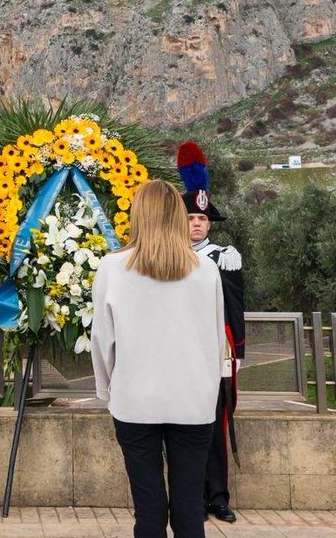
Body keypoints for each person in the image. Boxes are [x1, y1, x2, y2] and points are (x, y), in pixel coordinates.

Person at [91, 179, 225, 538]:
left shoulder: (112, 267)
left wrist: (107, 392)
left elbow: (103, 340)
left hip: (135, 400)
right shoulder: (206, 269)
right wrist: (210, 392)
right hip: (193, 400)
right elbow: (216, 338)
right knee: (189, 511)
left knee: (148, 509)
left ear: (139, 215)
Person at [178, 140, 246, 524]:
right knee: (184, 426)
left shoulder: (224, 256)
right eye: (191, 218)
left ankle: (217, 496)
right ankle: (191, 500)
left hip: (214, 350)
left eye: (202, 219)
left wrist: (237, 352)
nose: (197, 224)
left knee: (216, 424)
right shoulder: (169, 255)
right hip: (180, 351)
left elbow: (235, 308)